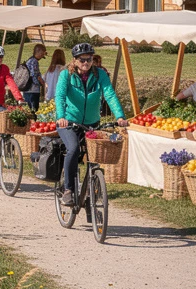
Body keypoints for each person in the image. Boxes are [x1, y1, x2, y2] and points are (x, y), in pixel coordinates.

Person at [55, 42, 127, 205]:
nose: (86, 62)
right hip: (69, 122)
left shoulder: (100, 74)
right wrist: (61, 116)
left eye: (89, 59)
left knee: (95, 154)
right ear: (74, 60)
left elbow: (109, 94)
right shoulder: (66, 75)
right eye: (82, 60)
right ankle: (68, 190)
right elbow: (59, 96)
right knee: (73, 148)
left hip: (92, 122)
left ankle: (91, 188)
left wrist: (120, 116)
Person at [22, 44, 47, 110]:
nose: (42, 56)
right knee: (33, 110)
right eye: (42, 55)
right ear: (40, 52)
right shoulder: (34, 61)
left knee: (29, 110)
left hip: (27, 89)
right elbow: (34, 76)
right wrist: (42, 84)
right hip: (33, 90)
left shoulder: (29, 60)